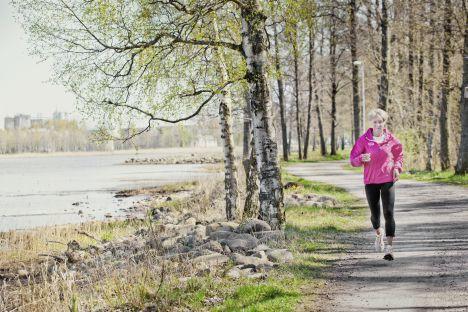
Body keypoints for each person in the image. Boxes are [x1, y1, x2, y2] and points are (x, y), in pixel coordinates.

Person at [349, 108, 403, 261]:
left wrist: (397, 168)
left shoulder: (392, 140)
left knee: (389, 212)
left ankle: (390, 248)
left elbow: (399, 155)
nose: (378, 124)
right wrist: (361, 158)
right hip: (371, 181)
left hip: (388, 180)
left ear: (384, 123)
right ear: (371, 123)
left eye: (381, 122)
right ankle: (378, 234)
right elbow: (352, 160)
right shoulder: (364, 140)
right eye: (375, 122)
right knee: (375, 214)